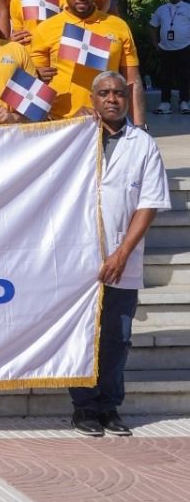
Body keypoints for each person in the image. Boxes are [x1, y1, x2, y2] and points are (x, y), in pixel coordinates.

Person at [73, 71, 172, 437]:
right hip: (78, 254)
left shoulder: (142, 144)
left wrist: (122, 253)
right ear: (93, 98)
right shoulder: (75, 137)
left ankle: (109, 406)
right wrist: (72, 124)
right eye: (104, 93)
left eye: (118, 93)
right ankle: (84, 407)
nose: (112, 99)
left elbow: (149, 203)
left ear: (127, 99)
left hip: (123, 255)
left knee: (118, 334)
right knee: (83, 333)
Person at [31, 0, 143, 123]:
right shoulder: (45, 29)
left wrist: (140, 126)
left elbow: (132, 81)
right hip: (63, 123)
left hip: (110, 123)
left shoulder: (118, 26)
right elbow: (36, 85)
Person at [151, 0, 190, 114]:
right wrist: (155, 43)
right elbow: (152, 26)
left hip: (184, 47)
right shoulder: (162, 9)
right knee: (165, 77)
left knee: (184, 76)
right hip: (165, 48)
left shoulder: (187, 8)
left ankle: (184, 102)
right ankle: (165, 103)